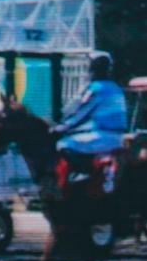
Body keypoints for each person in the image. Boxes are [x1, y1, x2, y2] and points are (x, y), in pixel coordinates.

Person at [52, 51, 127, 182]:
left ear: (93, 68)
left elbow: (80, 113)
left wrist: (60, 128)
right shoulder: (115, 87)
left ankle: (84, 171)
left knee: (63, 144)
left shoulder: (96, 88)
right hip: (116, 136)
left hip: (103, 137)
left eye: (91, 66)